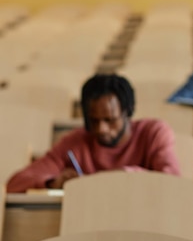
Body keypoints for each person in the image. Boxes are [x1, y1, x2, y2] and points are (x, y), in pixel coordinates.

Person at [6, 74, 180, 193]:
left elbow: (173, 183)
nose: (101, 129)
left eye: (110, 120)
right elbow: (15, 183)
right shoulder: (74, 143)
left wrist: (123, 176)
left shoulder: (153, 133)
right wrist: (52, 182)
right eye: (93, 120)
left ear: (128, 112)